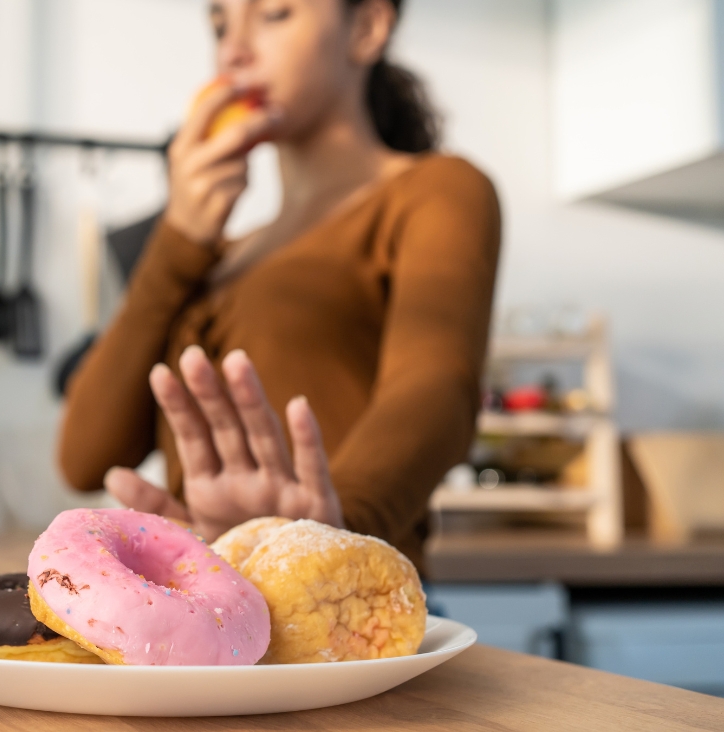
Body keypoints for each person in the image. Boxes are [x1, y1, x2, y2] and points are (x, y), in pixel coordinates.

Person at [58, 0, 501, 571]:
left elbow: (437, 389)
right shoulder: (213, 253)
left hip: (349, 613)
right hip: (217, 616)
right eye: (220, 23)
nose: (234, 49)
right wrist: (176, 239)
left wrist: (327, 533)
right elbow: (84, 459)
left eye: (274, 14)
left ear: (366, 29)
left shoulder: (435, 190)